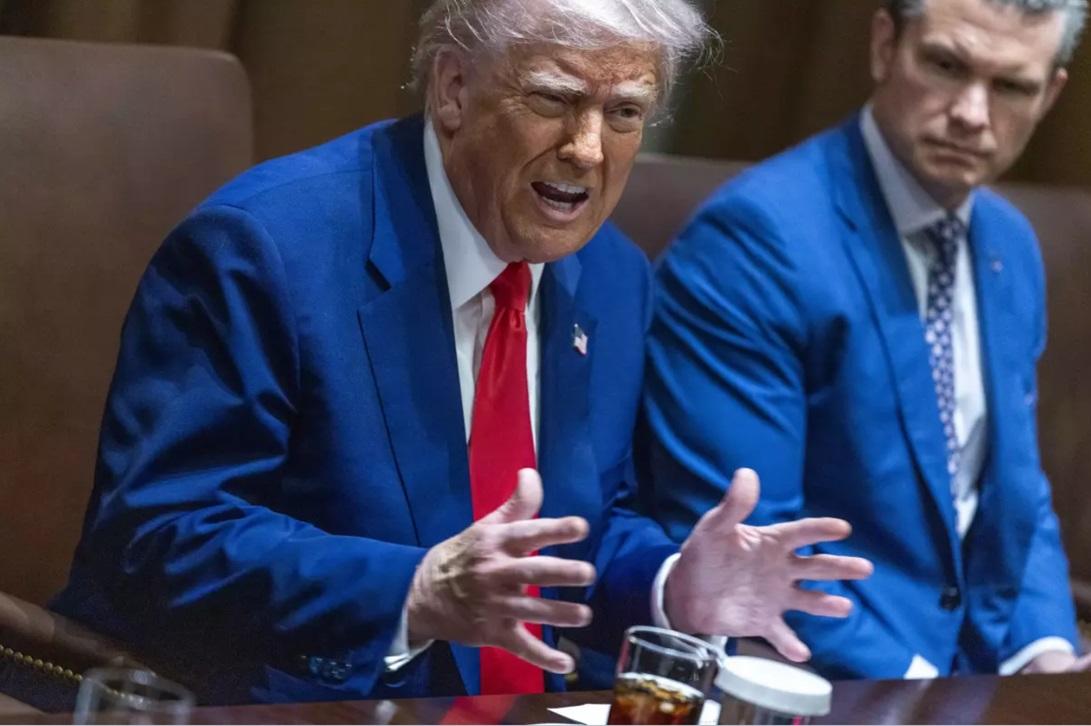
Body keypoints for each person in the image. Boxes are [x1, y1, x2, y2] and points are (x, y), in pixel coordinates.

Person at [52, 0, 871, 704]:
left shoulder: (611, 276)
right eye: (554, 100)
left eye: (624, 113)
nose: (588, 148)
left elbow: (576, 529)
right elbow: (158, 535)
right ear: (452, 89)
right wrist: (412, 592)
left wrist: (669, 585)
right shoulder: (265, 249)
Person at [642, 0, 1091, 680]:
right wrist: (932, 698)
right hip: (828, 684)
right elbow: (754, 556)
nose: (972, 113)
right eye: (946, 65)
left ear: (1049, 95)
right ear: (885, 45)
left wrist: (1046, 657)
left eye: (1010, 86)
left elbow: (1012, 498)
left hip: (967, 685)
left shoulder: (1010, 245)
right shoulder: (757, 242)